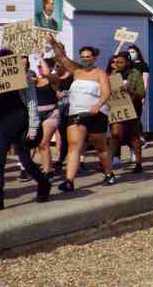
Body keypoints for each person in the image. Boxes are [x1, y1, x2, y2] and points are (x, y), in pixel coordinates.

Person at [48, 38, 114, 192]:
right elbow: (62, 58)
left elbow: (106, 92)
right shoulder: (76, 72)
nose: (85, 59)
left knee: (101, 148)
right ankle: (69, 181)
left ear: (94, 57)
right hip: (76, 113)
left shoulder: (100, 73)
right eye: (83, 57)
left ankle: (109, 173)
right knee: (74, 146)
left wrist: (97, 106)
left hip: (96, 114)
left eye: (88, 57)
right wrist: (52, 43)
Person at [0, 49, 51, 211]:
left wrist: (33, 127)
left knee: (26, 161)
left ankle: (44, 184)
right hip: (1, 121)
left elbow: (32, 103)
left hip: (20, 122)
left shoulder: (24, 78)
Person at [109, 52, 146, 173]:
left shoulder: (136, 74)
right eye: (115, 62)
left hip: (133, 108)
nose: (117, 64)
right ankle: (109, 162)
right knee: (115, 134)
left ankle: (138, 163)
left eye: (120, 62)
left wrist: (129, 90)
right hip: (118, 108)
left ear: (127, 62)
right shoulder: (114, 74)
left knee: (134, 136)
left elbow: (142, 94)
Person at [34, 56, 61, 181]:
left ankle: (47, 172)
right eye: (38, 66)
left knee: (43, 143)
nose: (40, 68)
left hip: (51, 114)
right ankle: (47, 168)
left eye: (42, 65)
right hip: (36, 115)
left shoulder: (54, 79)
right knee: (39, 145)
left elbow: (46, 73)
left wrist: (41, 58)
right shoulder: (33, 81)